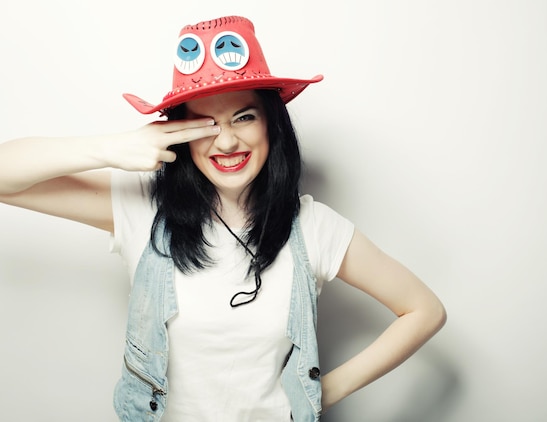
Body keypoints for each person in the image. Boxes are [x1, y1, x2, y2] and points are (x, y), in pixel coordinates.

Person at [0, 15, 446, 422]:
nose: (227, 141)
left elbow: (424, 311)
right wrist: (110, 147)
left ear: (272, 124)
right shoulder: (143, 210)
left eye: (244, 116)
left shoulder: (314, 228)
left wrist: (318, 391)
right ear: (179, 133)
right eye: (205, 124)